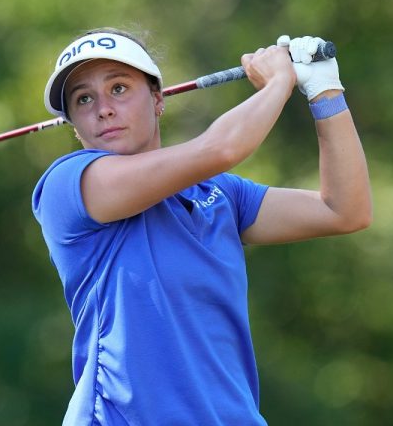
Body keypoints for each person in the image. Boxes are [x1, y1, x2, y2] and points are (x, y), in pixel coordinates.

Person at [31, 27, 371, 425]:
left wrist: (325, 90)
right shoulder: (68, 186)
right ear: (74, 124)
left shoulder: (218, 194)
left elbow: (345, 210)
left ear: (157, 99)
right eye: (83, 99)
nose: (103, 108)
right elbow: (221, 148)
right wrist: (279, 81)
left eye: (119, 88)